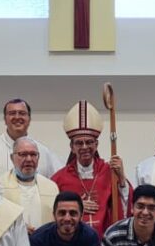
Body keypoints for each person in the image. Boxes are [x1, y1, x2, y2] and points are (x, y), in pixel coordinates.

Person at [50, 100, 130, 236]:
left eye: (89, 142)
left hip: (104, 239)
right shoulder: (59, 178)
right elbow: (52, 211)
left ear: (96, 144)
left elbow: (126, 205)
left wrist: (121, 178)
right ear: (72, 147)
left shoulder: (109, 172)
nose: (85, 147)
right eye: (79, 143)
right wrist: (76, 206)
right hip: (71, 241)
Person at [0, 98, 63, 179]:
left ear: (29, 119)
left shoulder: (44, 153)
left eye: (22, 113)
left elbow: (58, 182)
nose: (17, 117)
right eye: (12, 113)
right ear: (5, 119)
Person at [0, 137, 60, 232]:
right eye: (23, 154)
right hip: (13, 240)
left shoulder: (51, 187)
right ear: (12, 158)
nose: (29, 159)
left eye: (33, 154)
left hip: (43, 240)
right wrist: (18, 229)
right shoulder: (0, 186)